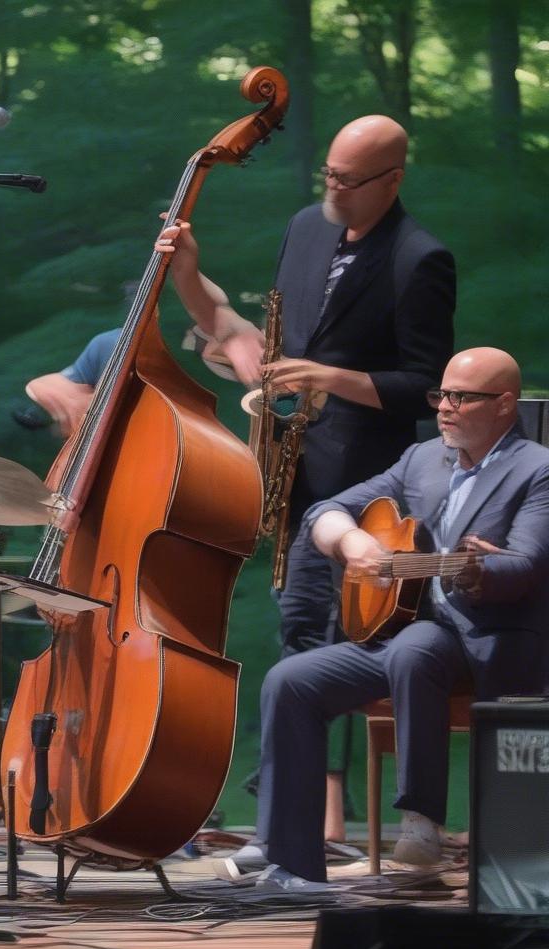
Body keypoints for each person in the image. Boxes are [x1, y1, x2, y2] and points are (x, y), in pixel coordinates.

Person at [158, 115, 456, 840]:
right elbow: (253, 346)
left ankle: (299, 834)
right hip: (293, 472)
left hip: (364, 483)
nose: (335, 189)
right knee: (300, 635)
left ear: (393, 180)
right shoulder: (307, 228)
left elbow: (425, 386)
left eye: (350, 181)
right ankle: (295, 833)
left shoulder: (420, 260)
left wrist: (328, 376)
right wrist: (188, 277)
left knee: (320, 643)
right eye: (329, 173)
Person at [252, 347, 549, 888]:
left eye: (463, 397)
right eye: (441, 394)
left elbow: (528, 564)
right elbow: (324, 509)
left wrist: (481, 572)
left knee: (419, 647)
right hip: (408, 634)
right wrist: (351, 540)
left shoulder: (538, 470)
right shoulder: (421, 458)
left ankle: (421, 823)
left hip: (488, 638)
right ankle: (291, 867)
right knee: (289, 681)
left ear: (505, 405)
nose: (445, 407)